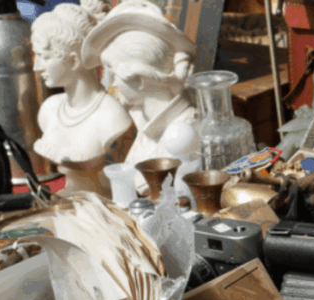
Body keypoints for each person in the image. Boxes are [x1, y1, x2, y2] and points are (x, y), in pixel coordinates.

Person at [80, 0, 199, 190]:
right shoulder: (145, 125)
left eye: (116, 76)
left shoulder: (184, 134)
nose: (114, 84)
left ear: (139, 80)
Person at [30, 3, 132, 196]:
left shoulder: (111, 116)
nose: (36, 67)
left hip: (99, 197)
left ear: (74, 61)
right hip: (67, 196)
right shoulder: (49, 109)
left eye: (45, 57)